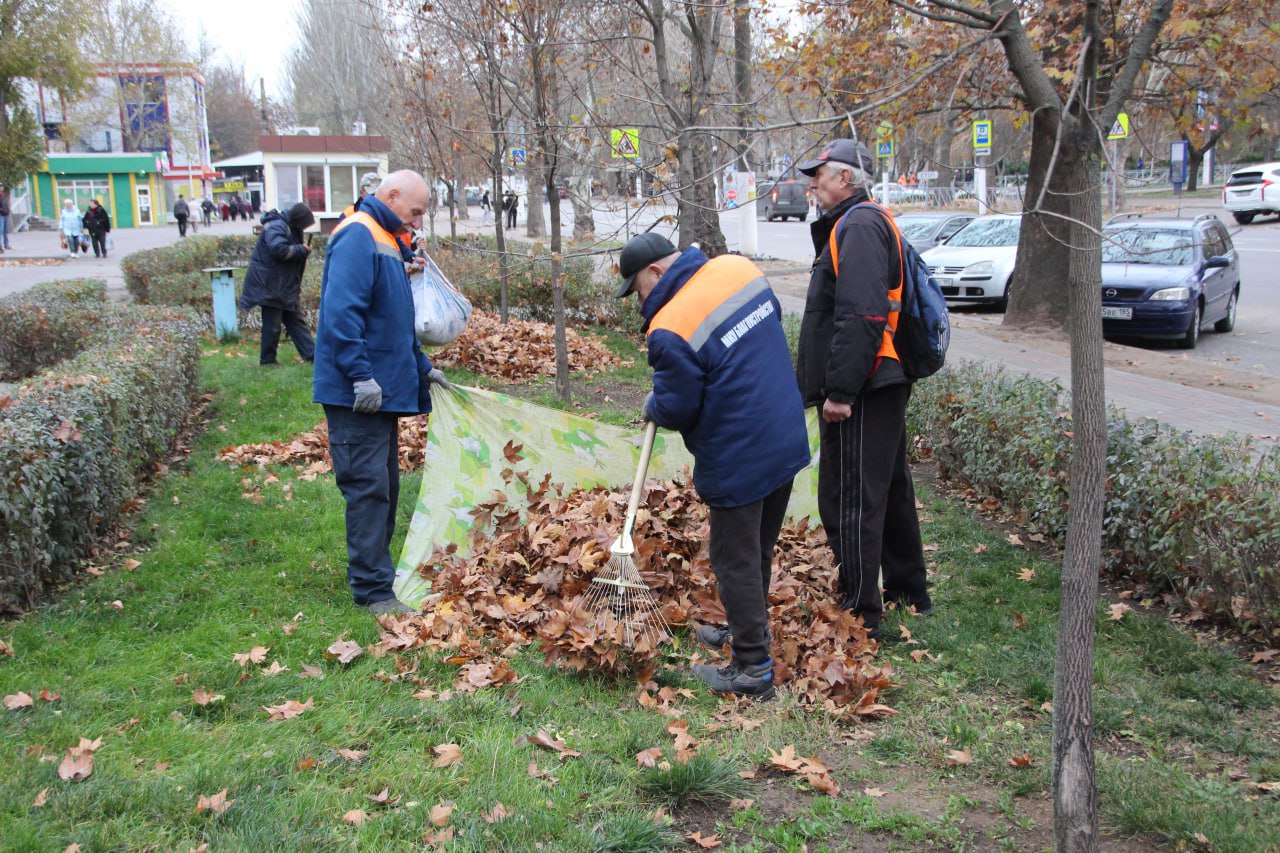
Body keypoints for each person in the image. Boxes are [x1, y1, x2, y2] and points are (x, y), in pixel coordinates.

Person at [616, 232, 810, 700]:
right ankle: (746, 630)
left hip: (740, 452)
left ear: (658, 273)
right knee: (756, 548)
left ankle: (752, 669)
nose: (638, 300)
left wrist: (655, 403)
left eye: (638, 287)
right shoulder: (739, 269)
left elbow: (680, 406)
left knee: (733, 558)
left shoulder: (671, 326)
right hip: (783, 433)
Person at [795, 138, 932, 643]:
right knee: (888, 490)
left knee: (850, 498)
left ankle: (859, 614)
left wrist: (840, 391)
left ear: (844, 179)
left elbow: (862, 315)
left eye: (819, 176)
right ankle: (908, 591)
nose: (812, 185)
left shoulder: (859, 225)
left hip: (867, 385)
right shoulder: (860, 222)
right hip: (881, 380)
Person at [312, 170, 448, 616]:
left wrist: (422, 367)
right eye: (416, 210)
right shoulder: (358, 235)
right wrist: (359, 376)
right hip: (359, 394)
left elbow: (391, 318)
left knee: (384, 487)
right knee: (368, 489)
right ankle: (372, 591)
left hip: (379, 391)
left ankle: (378, 577)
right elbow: (340, 316)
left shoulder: (387, 237)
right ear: (390, 195)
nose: (418, 220)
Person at [238, 202, 317, 365]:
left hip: (281, 285)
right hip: (271, 284)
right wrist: (302, 250)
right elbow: (278, 250)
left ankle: (312, 355)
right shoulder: (277, 226)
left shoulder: (286, 226)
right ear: (299, 220)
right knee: (272, 325)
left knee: (295, 321)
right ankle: (267, 361)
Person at [0, 183, 11, 252]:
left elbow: (6, 204)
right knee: (0, 230)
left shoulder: (3, 195)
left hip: (5, 214)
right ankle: (1, 246)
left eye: (2, 186)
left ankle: (6, 244)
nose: (1, 187)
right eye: (0, 186)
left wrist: (8, 210)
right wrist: (2, 210)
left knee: (5, 231)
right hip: (1, 214)